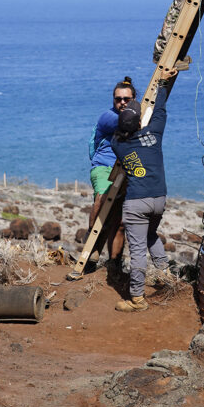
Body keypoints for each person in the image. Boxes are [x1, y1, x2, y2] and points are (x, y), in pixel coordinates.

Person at [110, 67, 178, 312]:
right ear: (140, 122)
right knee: (151, 236)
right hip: (159, 199)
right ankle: (165, 276)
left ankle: (137, 298)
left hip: (136, 202)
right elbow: (160, 109)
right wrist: (163, 84)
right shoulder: (155, 133)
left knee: (137, 249)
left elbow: (118, 131)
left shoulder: (117, 144)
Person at [87, 77, 133, 277]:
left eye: (126, 99)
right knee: (102, 198)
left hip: (126, 169)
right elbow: (130, 123)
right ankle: (91, 249)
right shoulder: (107, 117)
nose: (122, 102)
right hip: (104, 167)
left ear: (133, 99)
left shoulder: (133, 114)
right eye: (118, 99)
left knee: (120, 221)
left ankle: (115, 263)